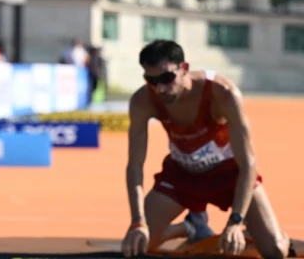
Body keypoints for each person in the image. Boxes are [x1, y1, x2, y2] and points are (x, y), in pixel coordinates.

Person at [122, 40, 292, 258]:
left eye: (166, 78)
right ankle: (191, 226)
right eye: (151, 80)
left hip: (229, 175)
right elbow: (135, 166)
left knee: (276, 250)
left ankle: (261, 231)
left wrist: (236, 221)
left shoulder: (223, 93)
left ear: (184, 68)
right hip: (181, 176)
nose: (160, 88)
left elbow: (248, 163)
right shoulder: (142, 100)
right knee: (136, 245)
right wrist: (137, 222)